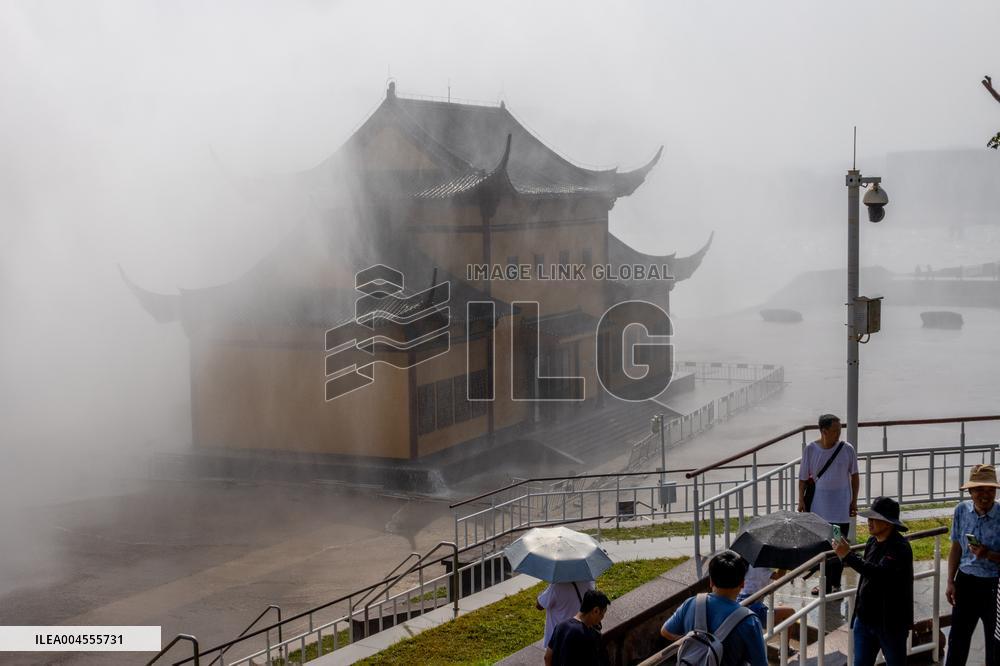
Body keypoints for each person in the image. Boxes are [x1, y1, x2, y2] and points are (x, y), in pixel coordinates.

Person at [833, 496, 913, 666]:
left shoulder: (900, 547)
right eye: (869, 518)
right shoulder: (872, 541)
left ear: (888, 523)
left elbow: (879, 574)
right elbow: (867, 571)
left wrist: (848, 555)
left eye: (874, 519)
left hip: (890, 624)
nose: (869, 522)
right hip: (865, 619)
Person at [661, 550, 767, 666]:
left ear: (711, 581)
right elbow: (760, 662)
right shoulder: (749, 621)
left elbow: (665, 631)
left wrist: (691, 643)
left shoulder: (691, 603)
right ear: (742, 583)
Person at [944, 464, 1000, 666]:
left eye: (990, 490)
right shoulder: (961, 511)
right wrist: (950, 581)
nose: (985, 495)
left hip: (995, 586)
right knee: (957, 640)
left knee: (995, 644)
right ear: (970, 491)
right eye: (979, 490)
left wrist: (989, 554)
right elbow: (956, 547)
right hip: (966, 582)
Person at [798, 413, 859, 594]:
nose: (838, 434)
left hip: (839, 510)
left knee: (838, 545)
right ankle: (824, 582)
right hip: (819, 510)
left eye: (840, 430)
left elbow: (855, 476)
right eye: (834, 431)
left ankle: (834, 583)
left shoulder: (847, 449)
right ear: (823, 431)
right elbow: (802, 478)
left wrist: (854, 500)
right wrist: (801, 499)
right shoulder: (811, 449)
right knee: (823, 546)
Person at [544, 589, 610, 666]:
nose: (602, 617)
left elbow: (547, 657)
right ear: (596, 611)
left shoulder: (560, 626)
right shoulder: (587, 636)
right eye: (603, 613)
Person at [536, 579, 596, 649]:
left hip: (560, 638)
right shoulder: (587, 580)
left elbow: (539, 606)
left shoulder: (556, 587)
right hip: (582, 632)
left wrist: (546, 589)